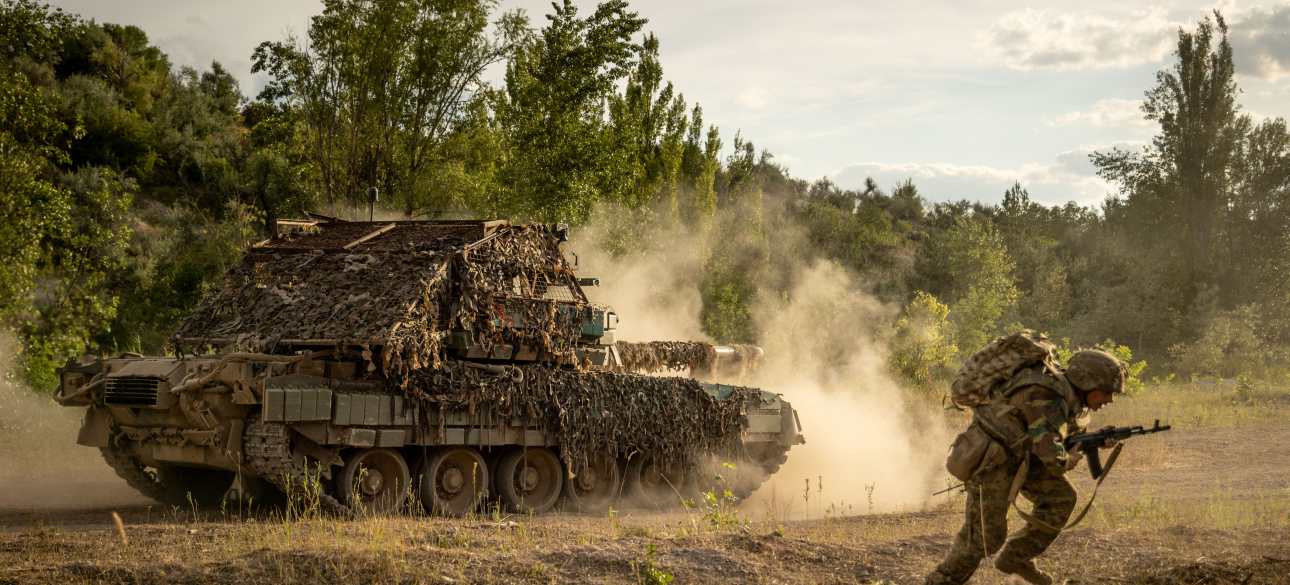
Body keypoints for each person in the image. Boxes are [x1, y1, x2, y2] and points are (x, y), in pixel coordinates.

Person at [925, 349, 1127, 585]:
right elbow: (1050, 453)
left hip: (1023, 457)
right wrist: (1066, 460)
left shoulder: (1070, 394)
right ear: (1087, 382)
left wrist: (1094, 442)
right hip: (993, 461)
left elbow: (1057, 432)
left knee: (1061, 497)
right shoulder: (1047, 394)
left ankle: (1016, 557)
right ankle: (941, 580)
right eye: (1106, 392)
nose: (1109, 400)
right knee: (985, 537)